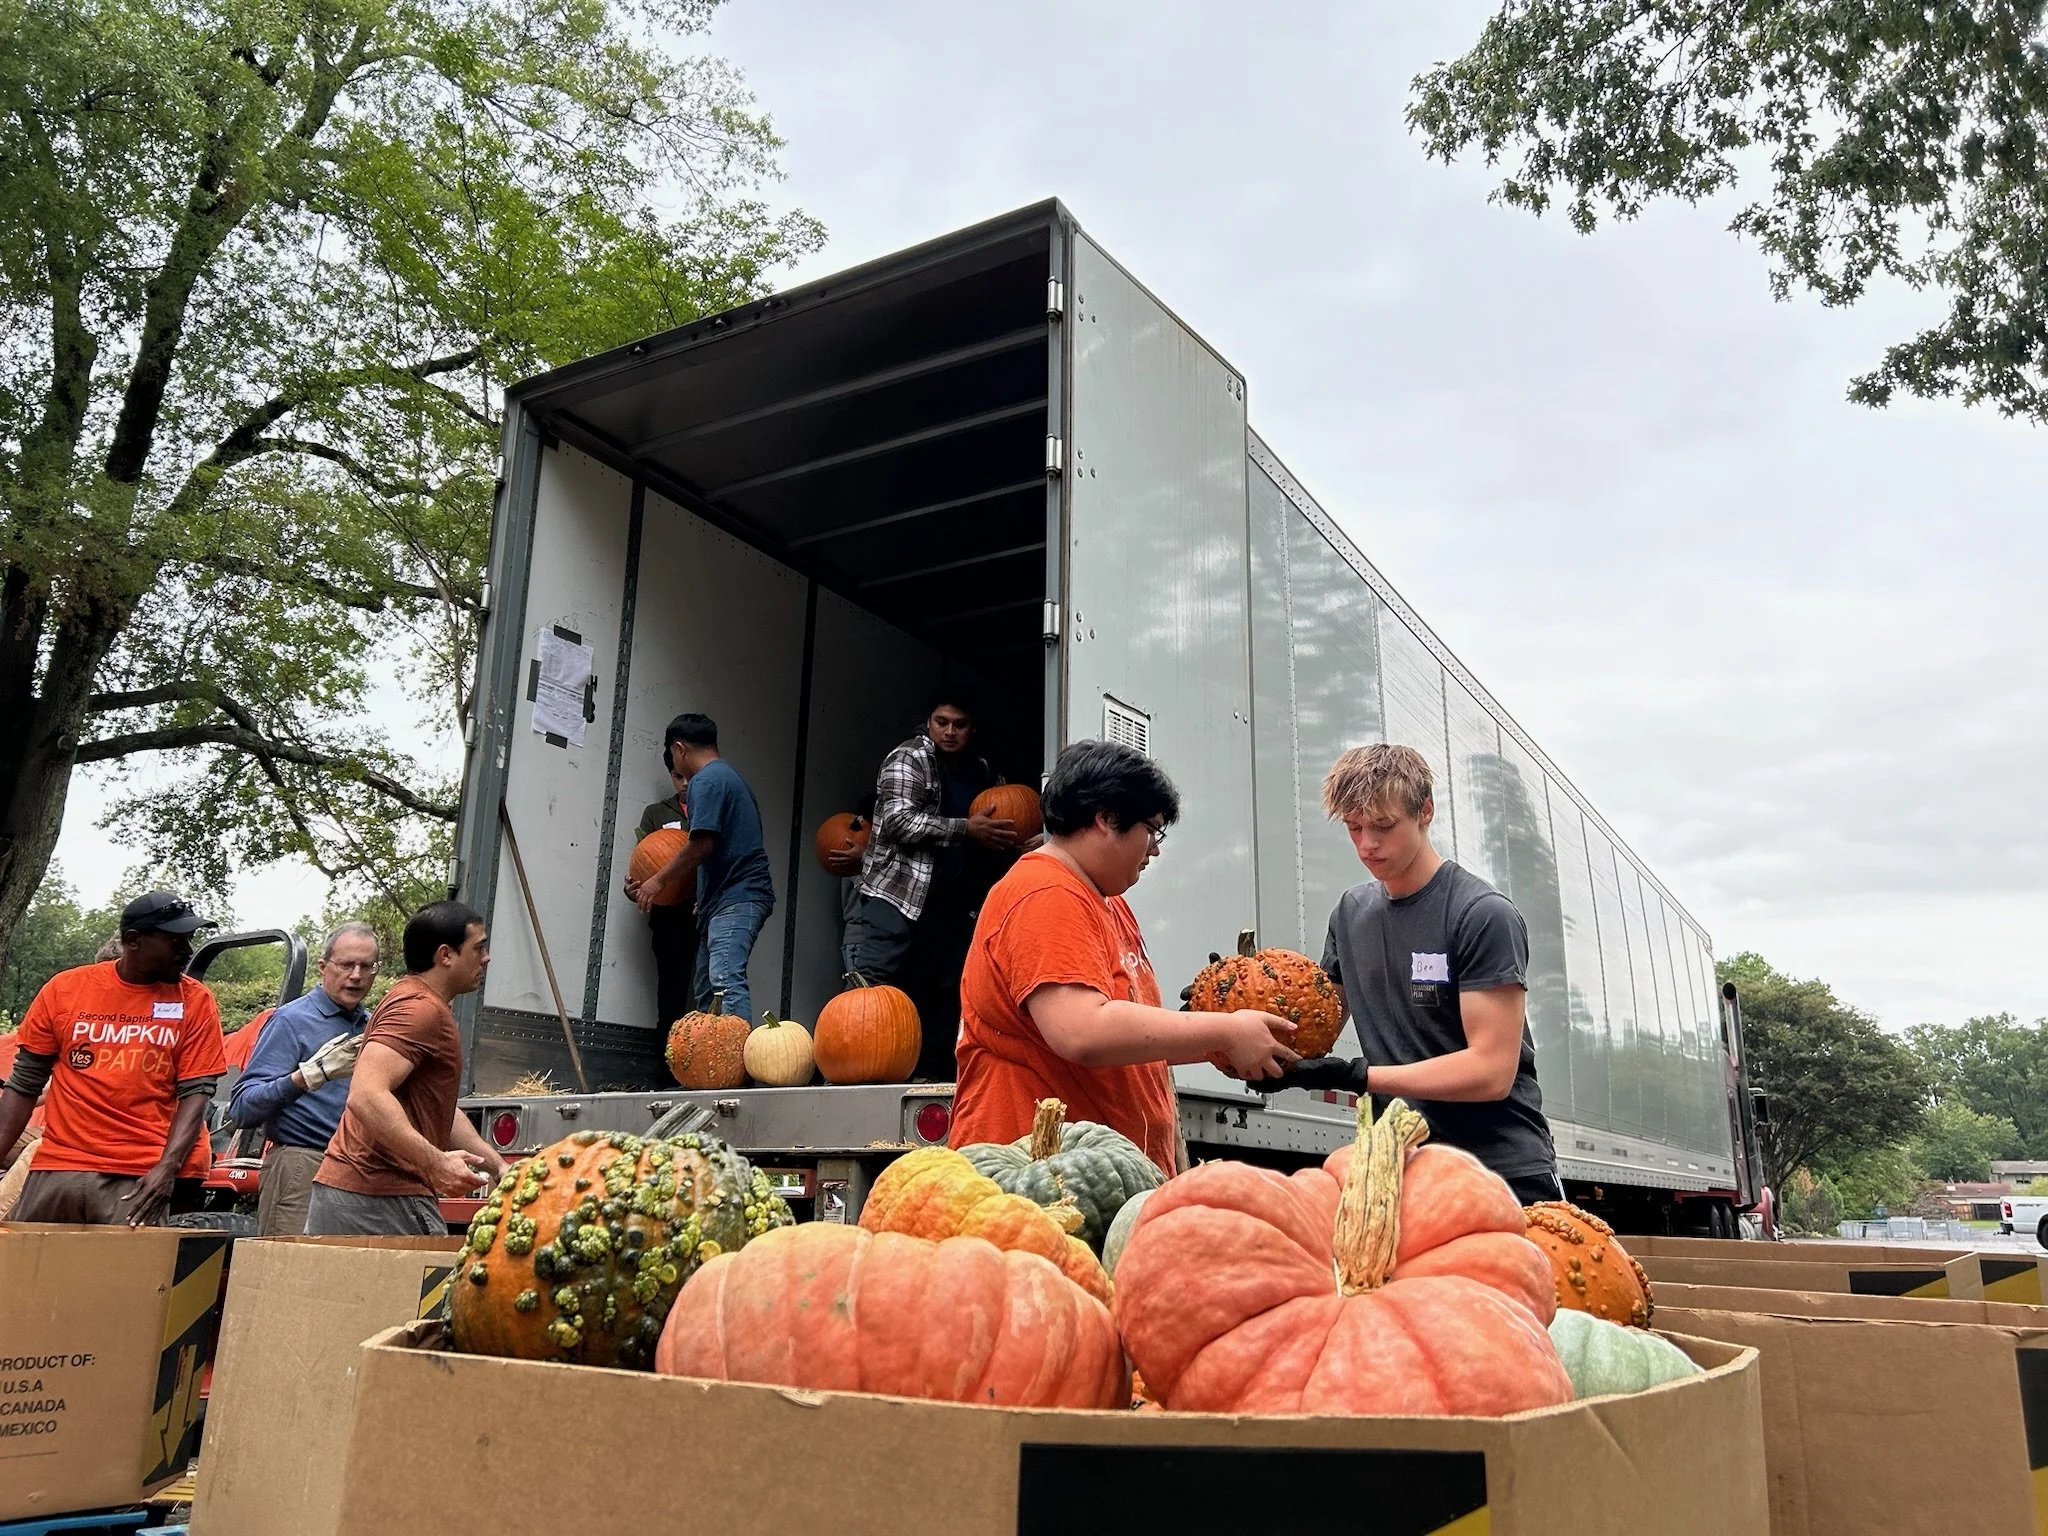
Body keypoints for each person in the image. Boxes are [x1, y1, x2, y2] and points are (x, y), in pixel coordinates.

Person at [949, 739, 1298, 1177]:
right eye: (1151, 829)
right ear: (1106, 819)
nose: (1154, 848)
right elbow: (1082, 1030)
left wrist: (1216, 1040)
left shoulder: (1107, 902)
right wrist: (1226, 1031)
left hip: (1094, 1180)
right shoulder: (1045, 894)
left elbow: (1128, 1039)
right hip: (1036, 1186)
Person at [1249, 743, 1563, 1205]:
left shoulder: (1481, 914)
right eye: (1353, 828)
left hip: (1500, 1173)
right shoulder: (1350, 914)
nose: (1366, 844)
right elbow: (1314, 1030)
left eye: (1382, 826)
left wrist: (1361, 1076)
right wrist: (1231, 1021)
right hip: (1401, 1172)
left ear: (1425, 811)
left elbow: (1491, 1070)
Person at [0, 891, 227, 1225]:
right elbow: (24, 1084)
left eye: (189, 940)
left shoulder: (195, 1001)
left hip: (137, 1176)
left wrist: (167, 1168)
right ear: (133, 940)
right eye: (175, 941)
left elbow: (196, 1093)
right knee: (27, 1273)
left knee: (128, 1277)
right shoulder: (65, 990)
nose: (187, 951)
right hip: (59, 1167)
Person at [306, 901, 506, 1236]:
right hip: (377, 1198)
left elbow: (436, 1107)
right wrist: (434, 1161)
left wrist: (496, 1165)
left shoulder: (413, 1000)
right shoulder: (420, 1010)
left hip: (367, 1194)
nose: (486, 958)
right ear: (446, 955)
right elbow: (366, 1095)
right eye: (479, 947)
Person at [847, 693, 1018, 1078]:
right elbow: (898, 822)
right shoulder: (909, 758)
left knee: (946, 988)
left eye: (959, 724)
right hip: (898, 892)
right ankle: (851, 1067)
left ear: (972, 729)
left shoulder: (982, 771)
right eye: (942, 722)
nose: (950, 731)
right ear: (929, 722)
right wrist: (965, 828)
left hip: (952, 902)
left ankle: (933, 1072)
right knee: (876, 978)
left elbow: (1001, 821)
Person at [227, 921, 381, 1236]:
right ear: (323, 967)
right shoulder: (291, 1021)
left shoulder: (374, 1027)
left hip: (361, 1171)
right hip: (302, 1163)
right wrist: (309, 1075)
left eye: (366, 966)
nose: (355, 975)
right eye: (346, 964)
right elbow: (242, 1108)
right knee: (285, 1273)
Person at [629, 714, 775, 1027]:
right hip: (725, 899)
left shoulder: (706, 781)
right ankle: (712, 1066)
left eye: (672, 754)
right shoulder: (728, 776)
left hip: (738, 896)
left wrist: (657, 880)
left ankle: (734, 1068)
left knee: (724, 979)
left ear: (679, 749)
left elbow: (701, 844)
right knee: (707, 989)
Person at [632, 742, 698, 1026]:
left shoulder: (709, 811)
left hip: (704, 912)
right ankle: (666, 1066)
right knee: (671, 996)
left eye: (690, 777)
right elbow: (644, 865)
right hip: (669, 919)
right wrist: (633, 889)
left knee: (708, 991)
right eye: (677, 776)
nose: (684, 784)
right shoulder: (656, 814)